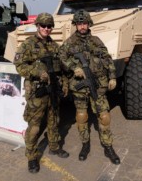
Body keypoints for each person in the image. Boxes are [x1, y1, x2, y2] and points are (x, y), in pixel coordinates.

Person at [59, 9, 120, 165]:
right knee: (81, 116)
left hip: (97, 85)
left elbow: (107, 59)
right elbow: (61, 57)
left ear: (88, 24)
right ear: (75, 25)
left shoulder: (97, 41)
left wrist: (112, 76)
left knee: (104, 116)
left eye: (84, 23)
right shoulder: (70, 42)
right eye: (79, 23)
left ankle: (108, 146)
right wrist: (74, 67)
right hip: (79, 88)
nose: (82, 26)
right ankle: (85, 145)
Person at [13, 12, 69, 174]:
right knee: (35, 126)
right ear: (37, 26)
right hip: (37, 91)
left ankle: (53, 147)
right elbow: (19, 65)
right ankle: (31, 156)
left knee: (54, 120)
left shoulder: (54, 46)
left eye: (49, 26)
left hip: (52, 91)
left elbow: (62, 69)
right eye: (43, 25)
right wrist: (37, 72)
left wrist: (64, 83)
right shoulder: (28, 45)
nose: (46, 29)